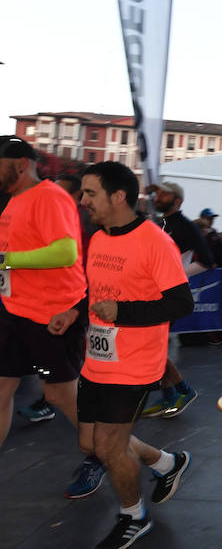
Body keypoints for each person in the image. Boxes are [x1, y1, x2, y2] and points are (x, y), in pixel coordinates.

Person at [78, 161, 193, 548]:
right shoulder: (98, 237)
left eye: (90, 193)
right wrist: (73, 311)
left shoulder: (154, 241)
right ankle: (167, 462)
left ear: (118, 196)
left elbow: (181, 303)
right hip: (97, 358)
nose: (83, 200)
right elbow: (95, 290)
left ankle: (134, 515)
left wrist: (123, 312)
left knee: (110, 447)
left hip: (135, 364)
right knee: (91, 444)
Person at [0, 135, 108, 500]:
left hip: (52, 314)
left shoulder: (49, 196)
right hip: (15, 310)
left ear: (20, 164)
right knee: (2, 388)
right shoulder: (15, 199)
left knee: (61, 395)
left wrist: (6, 261)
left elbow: (65, 252)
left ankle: (115, 453)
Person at [139, 181, 209, 418]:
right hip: (154, 292)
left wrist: (175, 275)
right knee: (153, 346)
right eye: (157, 193)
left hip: (168, 295)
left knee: (152, 346)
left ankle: (182, 390)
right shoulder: (161, 223)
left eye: (164, 193)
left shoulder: (186, 226)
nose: (158, 196)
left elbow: (208, 260)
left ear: (177, 200)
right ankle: (169, 395)